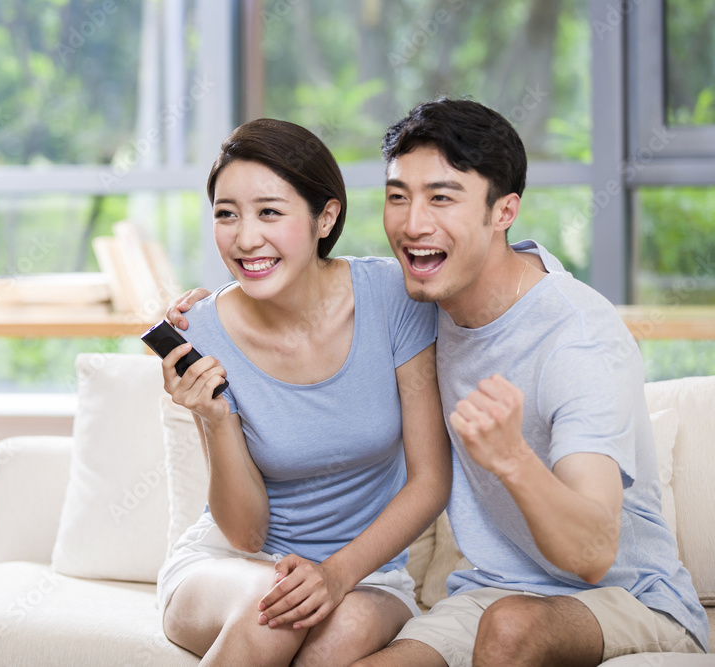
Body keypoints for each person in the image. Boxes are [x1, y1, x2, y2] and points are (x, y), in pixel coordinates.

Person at [173, 99, 709, 665]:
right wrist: (218, 313)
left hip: (626, 596)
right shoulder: (426, 304)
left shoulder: (579, 342)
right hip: (489, 591)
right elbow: (302, 290)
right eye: (399, 196)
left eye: (442, 197)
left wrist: (514, 461)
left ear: (504, 212)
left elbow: (594, 553)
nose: (412, 223)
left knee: (510, 629)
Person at [156, 117, 452, 666]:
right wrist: (215, 418)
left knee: (331, 643)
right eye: (226, 214)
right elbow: (245, 534)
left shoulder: (393, 297)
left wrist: (334, 576)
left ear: (326, 216)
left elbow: (431, 481)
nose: (245, 238)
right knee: (273, 614)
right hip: (230, 568)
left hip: (366, 577)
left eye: (270, 211)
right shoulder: (203, 330)